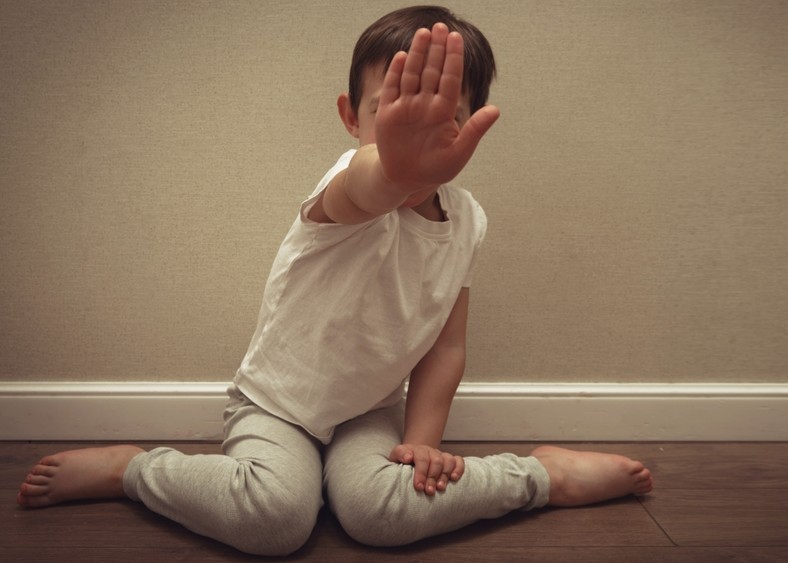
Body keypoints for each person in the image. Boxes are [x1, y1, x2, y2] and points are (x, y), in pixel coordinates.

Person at [16, 5, 652, 556]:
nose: (420, 131)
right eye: (392, 111)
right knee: (275, 521)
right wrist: (395, 166)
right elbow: (367, 189)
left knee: (381, 514)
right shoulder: (346, 181)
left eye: (445, 117)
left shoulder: (469, 221)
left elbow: (445, 344)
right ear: (353, 118)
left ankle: (541, 477)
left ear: (475, 123)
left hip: (368, 411)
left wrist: (421, 444)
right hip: (276, 406)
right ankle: (133, 470)